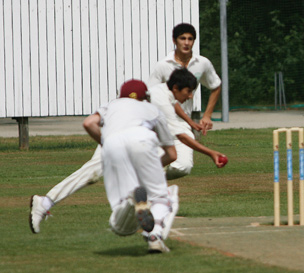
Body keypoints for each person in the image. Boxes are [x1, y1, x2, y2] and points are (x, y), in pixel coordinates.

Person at [29, 23, 223, 234]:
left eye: (190, 39)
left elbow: (90, 122)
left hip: (138, 135)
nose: (190, 96)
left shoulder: (162, 92)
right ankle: (45, 202)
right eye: (188, 92)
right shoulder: (160, 97)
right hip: (137, 134)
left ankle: (138, 191)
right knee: (94, 172)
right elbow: (180, 136)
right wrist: (211, 152)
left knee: (180, 165)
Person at [82, 79, 176, 253]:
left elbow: (88, 123)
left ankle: (132, 199)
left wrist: (104, 142)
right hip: (142, 138)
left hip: (112, 143)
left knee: (120, 205)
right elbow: (171, 154)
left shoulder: (110, 106)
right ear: (145, 96)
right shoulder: (152, 109)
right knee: (162, 198)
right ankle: (154, 236)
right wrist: (152, 168)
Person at [148, 23, 222, 179]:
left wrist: (207, 115)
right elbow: (152, 95)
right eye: (182, 38)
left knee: (184, 167)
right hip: (160, 123)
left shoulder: (202, 63)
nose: (187, 43)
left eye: (190, 39)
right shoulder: (163, 65)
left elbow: (216, 85)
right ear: (174, 40)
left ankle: (151, 178)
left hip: (183, 121)